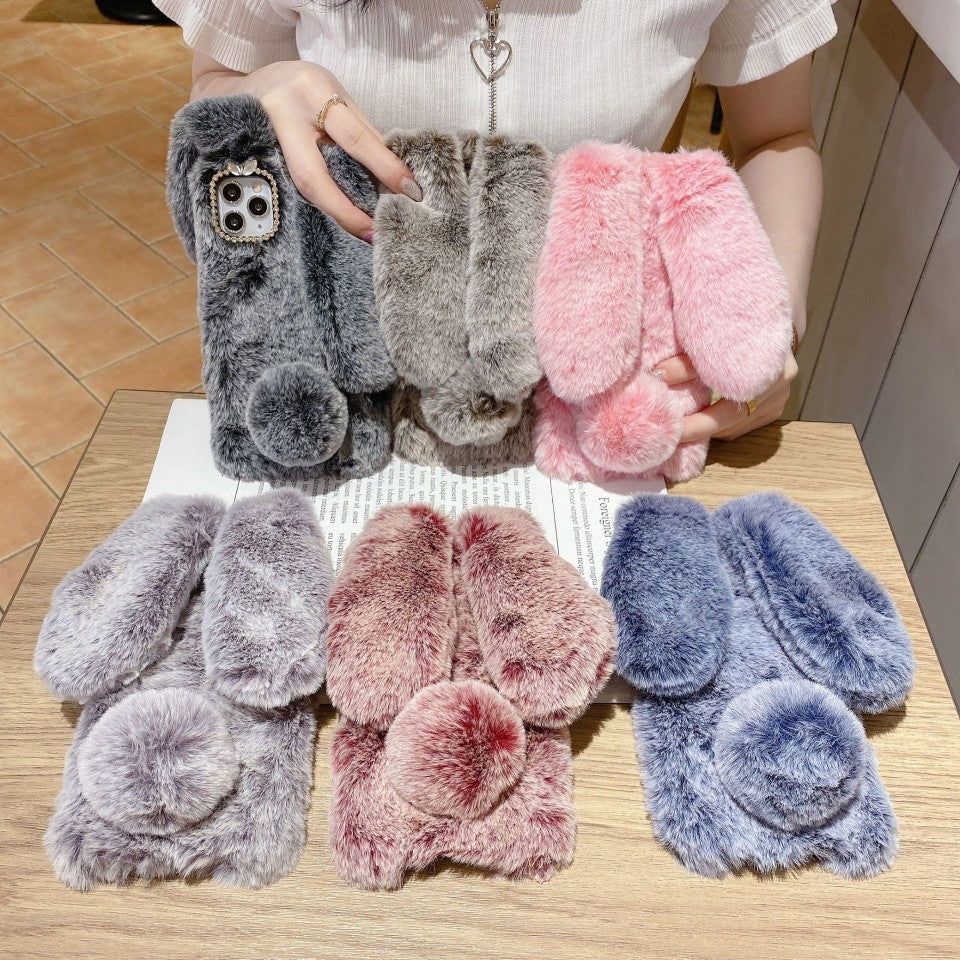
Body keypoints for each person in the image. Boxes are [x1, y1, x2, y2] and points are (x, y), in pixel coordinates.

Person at [156, 0, 836, 443]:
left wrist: (761, 321)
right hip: (343, 389)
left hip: (611, 393)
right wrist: (258, 90)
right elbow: (217, 83)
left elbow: (776, 135)